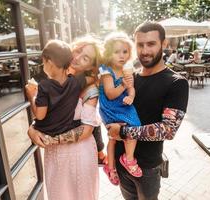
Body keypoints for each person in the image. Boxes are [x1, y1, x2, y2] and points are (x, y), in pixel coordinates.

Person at [106, 22, 189, 200]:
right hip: (121, 163)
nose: (144, 51)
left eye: (151, 44)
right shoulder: (130, 79)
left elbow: (168, 130)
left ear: (164, 44)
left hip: (147, 168)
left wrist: (122, 131)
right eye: (140, 45)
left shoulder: (176, 82)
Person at [26, 37, 102, 200]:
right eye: (78, 50)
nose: (78, 57)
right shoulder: (50, 80)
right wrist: (32, 130)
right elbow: (44, 117)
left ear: (90, 66)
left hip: (79, 154)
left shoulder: (90, 89)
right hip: (54, 156)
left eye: (85, 58)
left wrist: (52, 140)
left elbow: (86, 130)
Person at [98, 32, 142, 185]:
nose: (121, 55)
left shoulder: (127, 70)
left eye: (125, 52)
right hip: (110, 107)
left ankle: (126, 159)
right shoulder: (106, 71)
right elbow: (110, 94)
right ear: (109, 53)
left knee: (133, 128)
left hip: (123, 105)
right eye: (116, 52)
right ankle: (111, 167)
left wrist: (131, 96)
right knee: (113, 138)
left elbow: (131, 89)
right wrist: (123, 83)